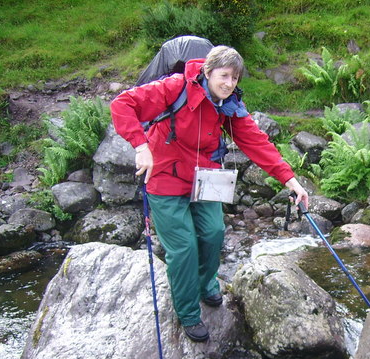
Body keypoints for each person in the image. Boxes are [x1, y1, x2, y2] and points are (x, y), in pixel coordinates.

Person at [111, 45, 309, 342]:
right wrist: (141, 147)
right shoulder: (174, 87)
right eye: (224, 75)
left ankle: (205, 284)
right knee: (183, 247)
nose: (229, 83)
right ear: (207, 71)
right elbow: (122, 104)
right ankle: (188, 312)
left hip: (205, 177)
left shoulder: (227, 104)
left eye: (235, 78)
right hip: (165, 177)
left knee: (214, 233)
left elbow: (256, 142)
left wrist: (290, 180)